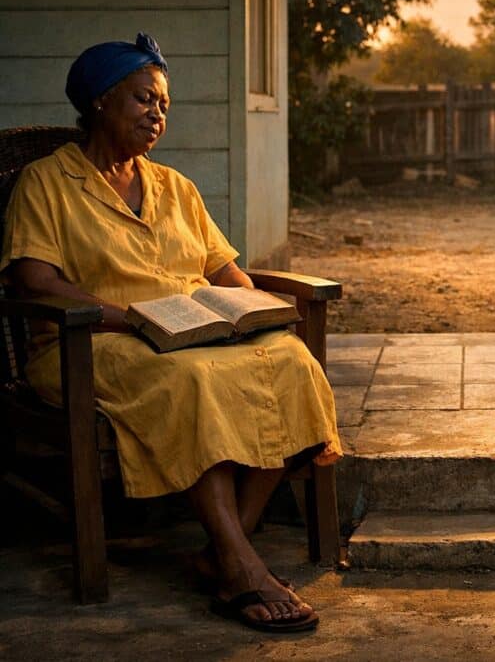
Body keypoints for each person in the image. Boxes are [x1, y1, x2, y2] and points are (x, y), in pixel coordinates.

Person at [0, 33, 342, 633]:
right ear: (101, 102)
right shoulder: (46, 183)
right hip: (88, 342)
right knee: (188, 379)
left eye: (164, 103)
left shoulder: (174, 187)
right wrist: (127, 316)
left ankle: (223, 549)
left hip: (190, 336)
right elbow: (34, 282)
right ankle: (239, 565)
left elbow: (223, 270)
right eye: (142, 99)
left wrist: (252, 309)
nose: (157, 114)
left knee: (289, 361)